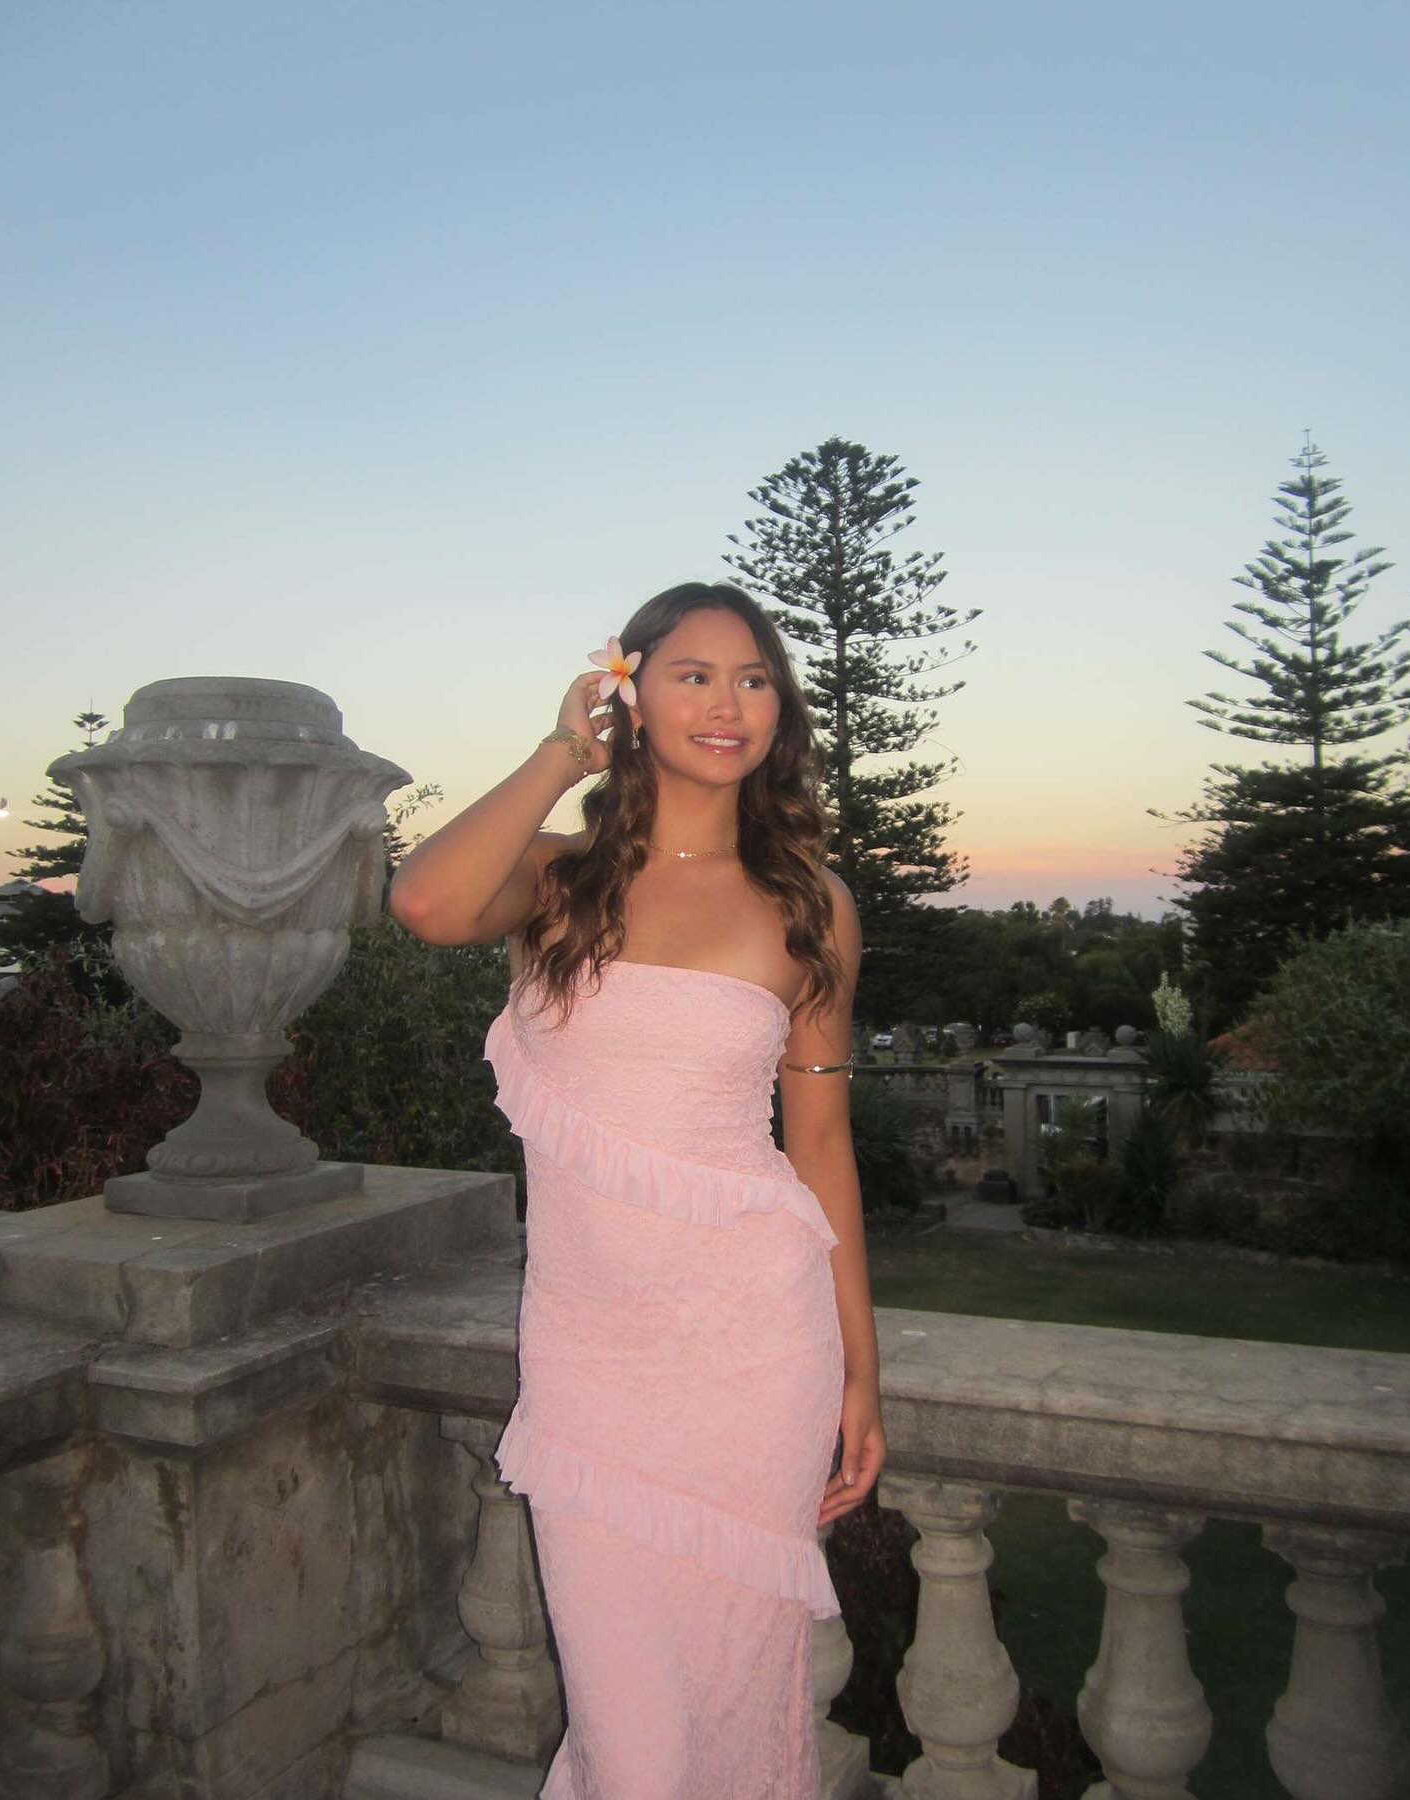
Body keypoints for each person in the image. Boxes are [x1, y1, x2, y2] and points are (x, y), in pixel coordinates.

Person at [389, 580, 885, 1798]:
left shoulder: (811, 905)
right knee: (634, 1743)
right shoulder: (557, 881)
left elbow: (822, 1150)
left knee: (736, 1693)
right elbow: (424, 902)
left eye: (754, 679)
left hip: (756, 1356)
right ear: (633, 693)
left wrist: (861, 1373)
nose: (728, 704)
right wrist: (563, 752)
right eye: (693, 675)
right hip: (591, 1363)